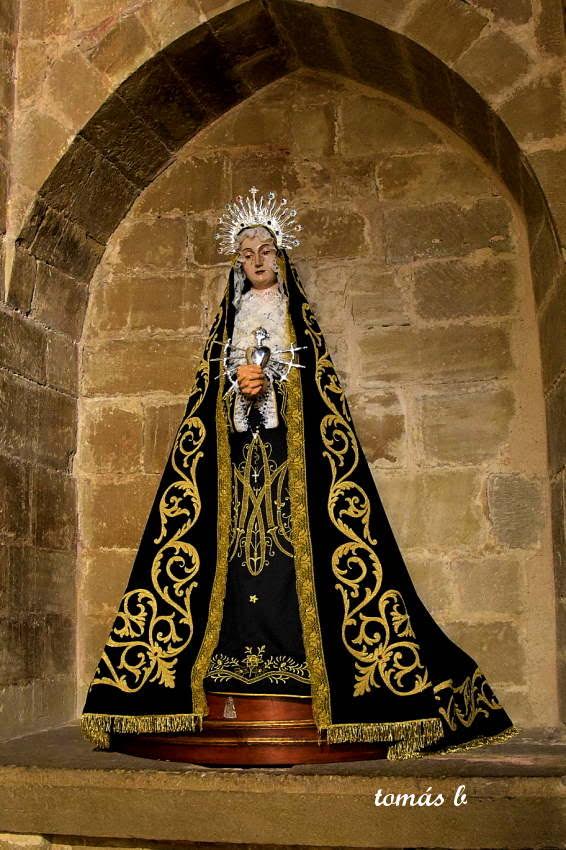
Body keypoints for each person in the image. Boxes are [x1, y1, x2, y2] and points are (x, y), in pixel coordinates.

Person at [81, 189, 519, 759]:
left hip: (293, 471)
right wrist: (239, 395)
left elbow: (316, 403)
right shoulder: (230, 323)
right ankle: (220, 677)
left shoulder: (295, 324)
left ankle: (309, 678)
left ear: (281, 257)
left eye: (265, 251)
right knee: (226, 563)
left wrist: (274, 390)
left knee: (297, 564)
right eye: (245, 254)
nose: (256, 261)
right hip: (235, 469)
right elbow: (206, 409)